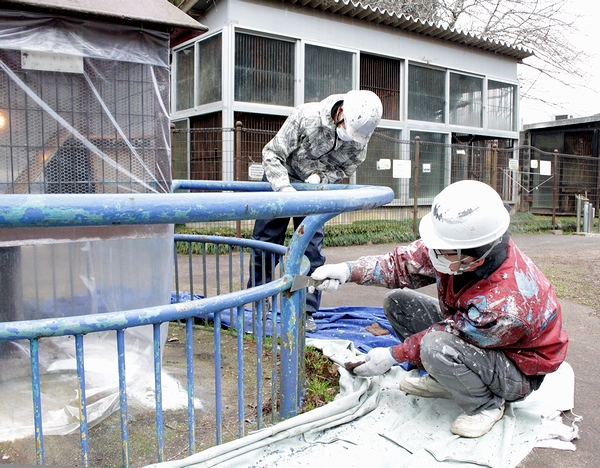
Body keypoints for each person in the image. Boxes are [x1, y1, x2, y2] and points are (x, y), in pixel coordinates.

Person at [310, 180, 569, 438]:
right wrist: (347, 270)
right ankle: (446, 378)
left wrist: (392, 355)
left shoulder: (505, 302)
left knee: (436, 346)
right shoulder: (459, 246)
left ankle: (486, 405)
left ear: (476, 258)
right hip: (477, 335)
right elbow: (401, 265)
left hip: (517, 369)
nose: (432, 254)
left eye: (442, 252)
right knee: (399, 302)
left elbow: (452, 334)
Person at [250, 90, 383, 333]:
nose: (348, 138)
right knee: (265, 242)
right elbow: (272, 154)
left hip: (315, 187)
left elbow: (347, 168)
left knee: (311, 249)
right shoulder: (306, 117)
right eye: (347, 130)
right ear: (340, 112)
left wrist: (321, 177)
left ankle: (305, 310)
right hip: (280, 178)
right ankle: (259, 302)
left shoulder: (359, 138)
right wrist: (284, 189)